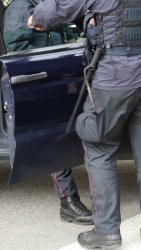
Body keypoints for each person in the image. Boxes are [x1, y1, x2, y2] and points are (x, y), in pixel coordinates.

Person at [28, 0, 141, 248]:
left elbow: (52, 11)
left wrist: (35, 18)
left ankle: (107, 231)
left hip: (115, 77)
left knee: (99, 148)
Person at [2, 0, 92, 225]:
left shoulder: (48, 5)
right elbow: (14, 47)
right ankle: (68, 201)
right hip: (35, 81)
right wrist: (49, 59)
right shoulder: (21, 8)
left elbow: (61, 34)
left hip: (55, 77)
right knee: (55, 139)